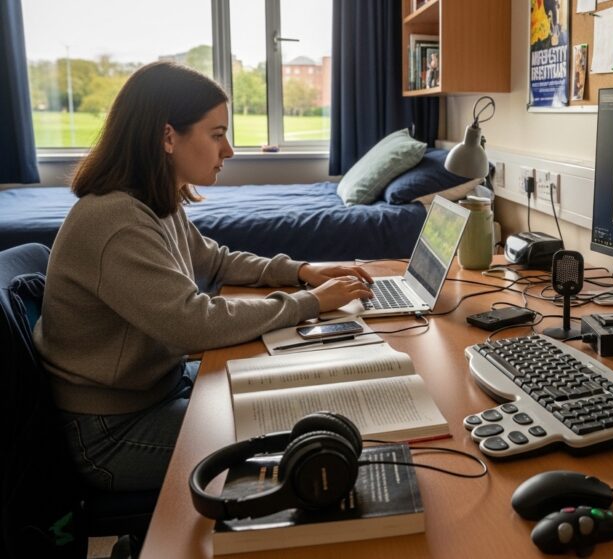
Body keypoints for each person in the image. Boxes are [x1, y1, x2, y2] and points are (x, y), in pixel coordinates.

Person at [33, 61, 374, 493]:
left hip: (156, 389)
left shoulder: (154, 201)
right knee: (288, 454)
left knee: (288, 392)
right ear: (167, 136)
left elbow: (213, 261)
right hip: (109, 430)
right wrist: (309, 302)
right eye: (217, 135)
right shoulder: (116, 220)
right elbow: (192, 324)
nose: (228, 151)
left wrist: (302, 271)